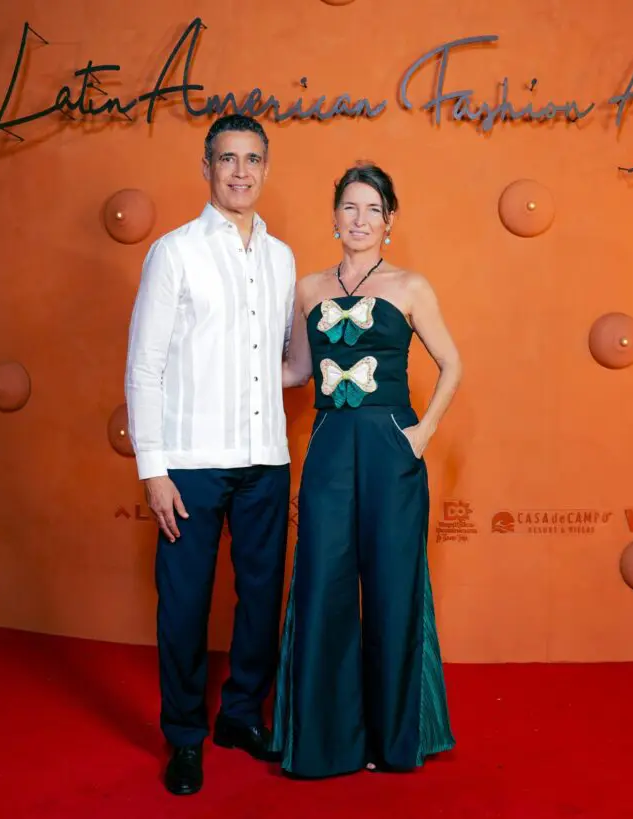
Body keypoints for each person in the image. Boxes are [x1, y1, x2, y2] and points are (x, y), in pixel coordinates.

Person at [269, 161, 462, 778]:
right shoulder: (307, 289)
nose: (359, 219)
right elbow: (298, 371)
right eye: (349, 208)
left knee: (392, 586)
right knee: (321, 581)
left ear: (389, 221)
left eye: (372, 210)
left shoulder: (411, 286)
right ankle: (324, 743)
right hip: (329, 446)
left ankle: (393, 739)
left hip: (391, 448)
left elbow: (453, 364)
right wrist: (230, 372)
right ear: (334, 218)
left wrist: (422, 433)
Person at [124, 113, 296, 796]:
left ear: (265, 168)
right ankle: (186, 737)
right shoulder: (174, 252)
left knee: (261, 598)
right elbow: (144, 368)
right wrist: (153, 469)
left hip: (266, 458)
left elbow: (280, 361)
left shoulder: (282, 258)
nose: (240, 172)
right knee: (184, 605)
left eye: (252, 159)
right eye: (227, 159)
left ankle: (241, 715)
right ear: (206, 167)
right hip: (190, 462)